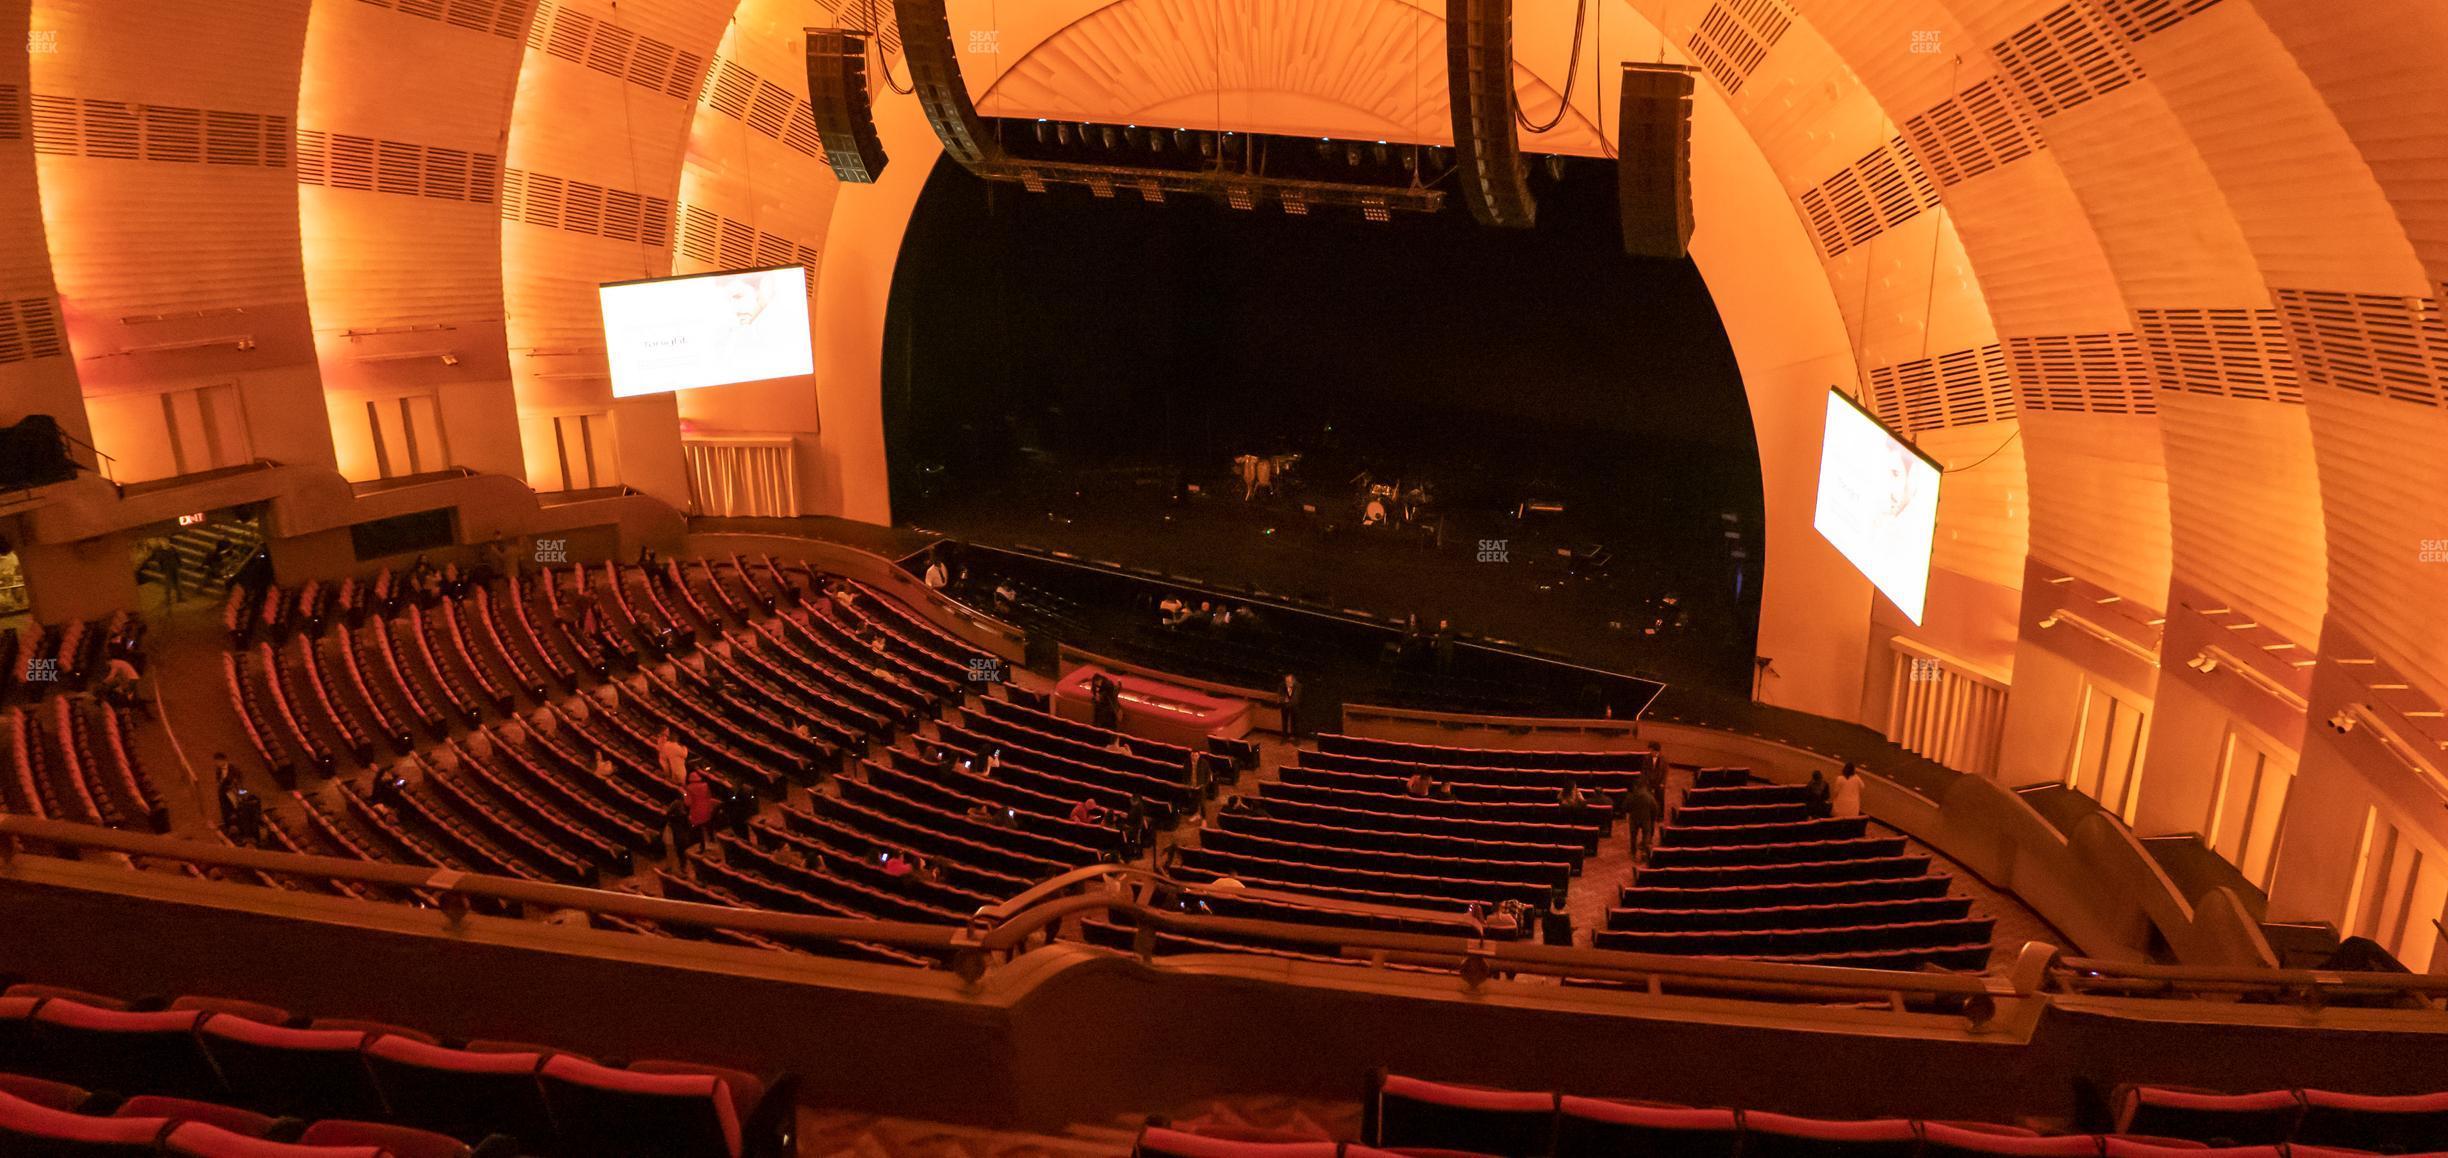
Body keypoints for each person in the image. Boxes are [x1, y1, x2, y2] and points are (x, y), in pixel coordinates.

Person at [681, 768, 717, 851]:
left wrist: (685, 795)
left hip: (696, 811)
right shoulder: (705, 785)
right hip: (706, 808)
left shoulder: (689, 788)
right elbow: (709, 796)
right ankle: (712, 840)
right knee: (708, 825)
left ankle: (702, 846)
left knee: (699, 829)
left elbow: (688, 803)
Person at [1625, 779, 1661, 859]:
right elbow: (1655, 808)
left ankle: (1633, 852)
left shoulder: (1632, 795)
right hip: (1646, 819)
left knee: (1633, 836)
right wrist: (1652, 819)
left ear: (1636, 786)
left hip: (1634, 819)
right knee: (1646, 835)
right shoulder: (1649, 796)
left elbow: (1626, 807)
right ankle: (1644, 852)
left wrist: (1630, 812)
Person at [1278, 672, 1301, 737]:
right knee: (1284, 723)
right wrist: (1284, 700)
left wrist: (1287, 700)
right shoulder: (1282, 685)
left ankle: (1296, 739)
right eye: (1286, 681)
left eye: (1289, 681)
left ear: (1293, 681)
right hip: (1284, 707)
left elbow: (1295, 699)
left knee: (1295, 723)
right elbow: (1280, 697)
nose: (1287, 683)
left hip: (1295, 707)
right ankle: (1284, 737)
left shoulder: (1298, 686)